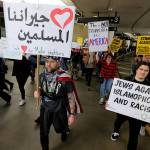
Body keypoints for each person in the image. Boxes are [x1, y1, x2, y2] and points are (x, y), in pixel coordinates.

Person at [34, 56, 83, 150]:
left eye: (52, 62)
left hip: (59, 107)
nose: (48, 64)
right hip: (45, 108)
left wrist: (72, 114)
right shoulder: (41, 76)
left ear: (58, 63)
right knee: (43, 132)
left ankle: (64, 132)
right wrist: (38, 93)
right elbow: (40, 89)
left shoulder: (65, 78)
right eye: (47, 61)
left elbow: (71, 97)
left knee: (60, 128)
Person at [110, 61, 150, 150]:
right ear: (136, 69)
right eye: (141, 69)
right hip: (123, 111)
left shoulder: (149, 86)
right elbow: (115, 93)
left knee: (134, 136)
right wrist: (110, 102)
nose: (143, 72)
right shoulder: (126, 80)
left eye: (146, 70)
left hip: (137, 115)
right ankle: (116, 131)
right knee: (118, 122)